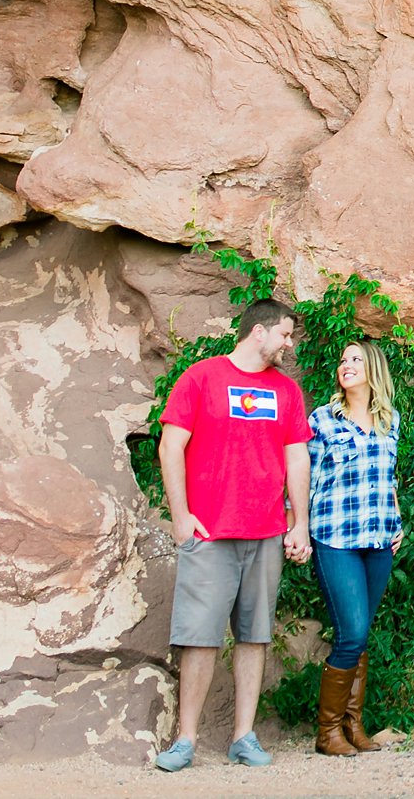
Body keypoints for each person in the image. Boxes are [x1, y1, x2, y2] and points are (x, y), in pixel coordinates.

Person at [152, 299, 312, 772]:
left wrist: (299, 522)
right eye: (285, 335)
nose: (289, 344)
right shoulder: (202, 378)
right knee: (200, 637)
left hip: (265, 530)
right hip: (211, 530)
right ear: (258, 332)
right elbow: (170, 446)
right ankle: (185, 740)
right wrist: (180, 516)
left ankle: (244, 736)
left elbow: (297, 457)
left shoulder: (287, 391)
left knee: (255, 636)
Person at [307, 339, 404, 756]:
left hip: (380, 540)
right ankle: (328, 732)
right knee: (353, 632)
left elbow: (389, 476)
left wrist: (397, 519)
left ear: (373, 371)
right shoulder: (323, 420)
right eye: (343, 360)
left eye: (355, 360)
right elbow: (303, 476)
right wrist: (294, 528)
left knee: (360, 637)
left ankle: (354, 727)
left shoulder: (390, 421)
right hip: (335, 538)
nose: (346, 365)